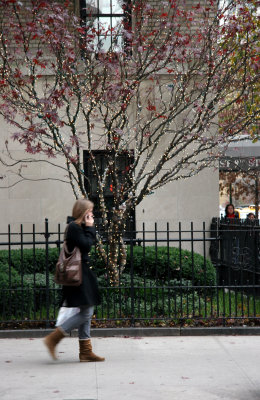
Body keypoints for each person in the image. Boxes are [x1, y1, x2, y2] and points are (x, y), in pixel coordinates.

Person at [44, 199, 105, 362]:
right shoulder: (73, 228)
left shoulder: (79, 228)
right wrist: (91, 227)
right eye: (89, 211)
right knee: (86, 312)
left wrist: (89, 227)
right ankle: (54, 338)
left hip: (83, 274)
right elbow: (86, 245)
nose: (92, 214)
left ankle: (85, 351)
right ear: (82, 212)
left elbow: (87, 243)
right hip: (78, 276)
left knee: (85, 311)